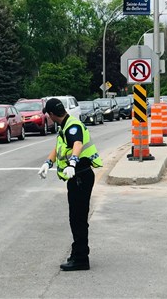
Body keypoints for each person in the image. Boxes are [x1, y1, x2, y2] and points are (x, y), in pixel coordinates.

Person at [38, 98, 102, 271]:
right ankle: (78, 253)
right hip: (77, 176)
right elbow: (58, 147)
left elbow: (77, 144)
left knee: (78, 219)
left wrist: (73, 162)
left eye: (48, 115)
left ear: (51, 114)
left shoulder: (72, 126)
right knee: (76, 218)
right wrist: (48, 163)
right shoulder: (65, 126)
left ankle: (81, 258)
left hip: (80, 175)